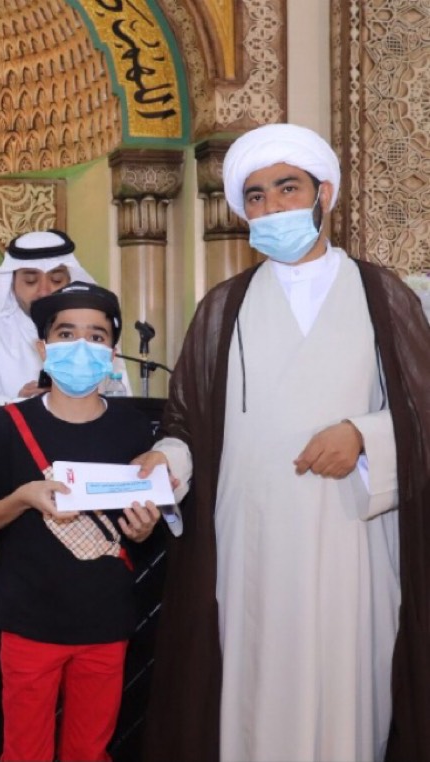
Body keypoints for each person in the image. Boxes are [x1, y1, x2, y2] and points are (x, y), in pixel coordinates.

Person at [140, 123, 430, 762]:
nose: (271, 206)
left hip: (351, 538)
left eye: (287, 188)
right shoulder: (223, 307)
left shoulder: (382, 295)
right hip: (252, 544)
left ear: (324, 194)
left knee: (347, 693)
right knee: (257, 697)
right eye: (257, 195)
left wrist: (363, 436)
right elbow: (187, 427)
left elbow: (422, 412)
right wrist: (163, 460)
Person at [0, 282, 161, 761]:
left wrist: (143, 528)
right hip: (29, 621)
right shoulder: (10, 425)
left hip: (105, 620)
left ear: (111, 356)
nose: (80, 347)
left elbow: (141, 520)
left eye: (95, 337)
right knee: (25, 751)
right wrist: (24, 497)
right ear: (43, 348)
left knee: (89, 750)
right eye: (66, 334)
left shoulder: (134, 428)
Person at [0, 230, 128, 409]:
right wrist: (20, 404)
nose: (44, 291)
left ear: (70, 280)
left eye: (56, 280)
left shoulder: (94, 327)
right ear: (12, 282)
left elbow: (120, 396)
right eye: (30, 281)